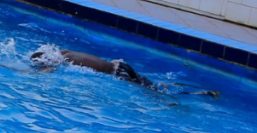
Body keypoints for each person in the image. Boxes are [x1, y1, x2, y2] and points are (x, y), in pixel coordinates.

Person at [31, 47, 219, 96]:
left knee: (152, 92)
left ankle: (196, 93)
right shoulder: (65, 52)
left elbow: (45, 72)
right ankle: (185, 88)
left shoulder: (62, 60)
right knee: (152, 85)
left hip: (118, 74)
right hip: (120, 65)